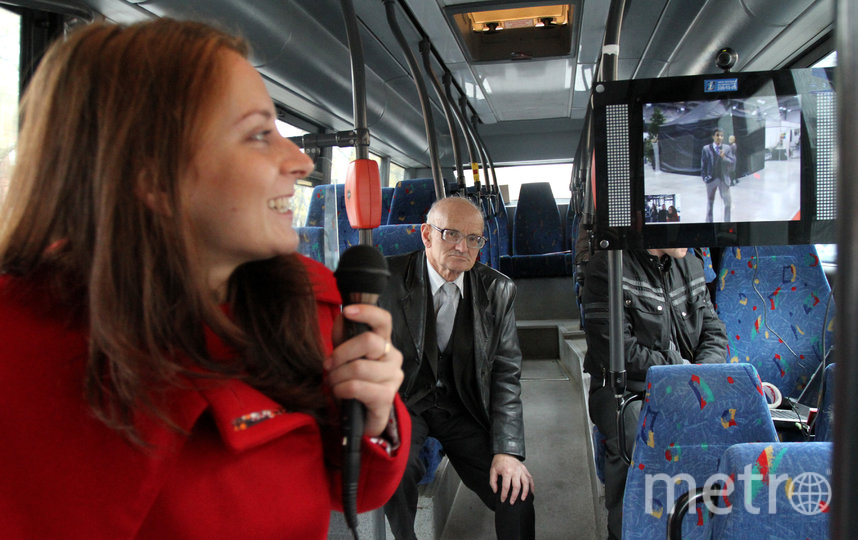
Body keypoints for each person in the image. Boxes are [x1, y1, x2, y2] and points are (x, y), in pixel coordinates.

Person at [0, 19, 410, 539]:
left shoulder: (309, 301)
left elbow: (352, 489)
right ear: (154, 180)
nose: (301, 160)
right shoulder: (17, 348)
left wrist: (374, 418)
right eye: (260, 134)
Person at [380, 196, 535, 540]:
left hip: (464, 406)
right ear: (426, 235)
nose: (462, 247)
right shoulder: (386, 280)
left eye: (474, 239)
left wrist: (507, 450)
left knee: (516, 491)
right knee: (394, 468)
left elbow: (505, 374)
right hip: (404, 403)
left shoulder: (498, 291)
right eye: (451, 234)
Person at [581, 248, 728, 540]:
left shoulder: (691, 262)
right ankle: (626, 530)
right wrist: (680, 369)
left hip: (691, 380)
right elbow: (619, 352)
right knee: (636, 432)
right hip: (626, 387)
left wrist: (700, 373)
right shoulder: (608, 267)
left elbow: (714, 331)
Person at [700, 128, 735, 222]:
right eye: (717, 135)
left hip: (724, 180)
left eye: (721, 136)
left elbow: (732, 162)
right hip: (711, 180)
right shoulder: (706, 149)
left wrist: (724, 157)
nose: (719, 137)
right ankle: (709, 223)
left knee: (728, 203)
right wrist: (705, 178)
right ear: (713, 136)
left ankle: (727, 222)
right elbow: (703, 165)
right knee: (710, 203)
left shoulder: (727, 148)